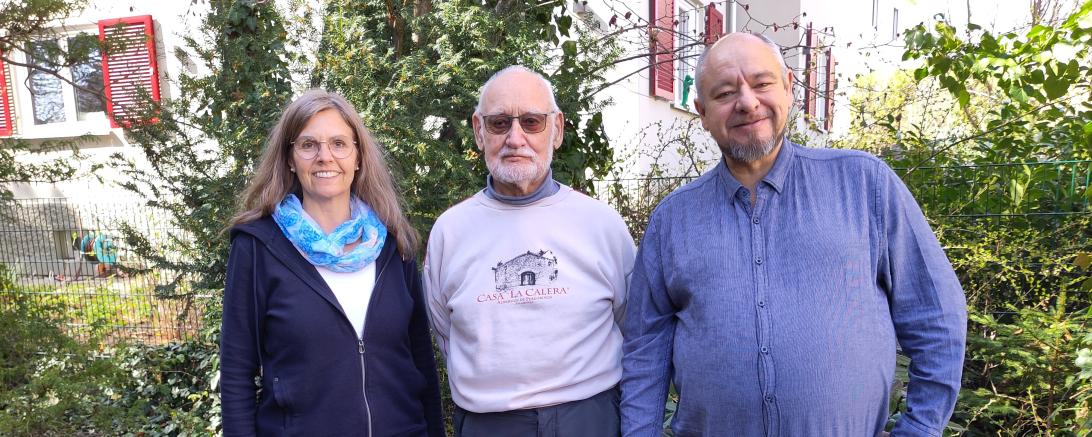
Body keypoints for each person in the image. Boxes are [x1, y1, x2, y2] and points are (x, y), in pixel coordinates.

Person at [620, 33, 967, 437]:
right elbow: (646, 351)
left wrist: (920, 428)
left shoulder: (864, 185)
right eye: (725, 92)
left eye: (762, 83)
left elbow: (936, 315)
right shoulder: (672, 221)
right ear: (701, 111)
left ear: (788, 87)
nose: (747, 102)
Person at [423, 66, 636, 437]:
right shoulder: (449, 232)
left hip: (590, 420)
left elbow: (633, 325)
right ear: (478, 131)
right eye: (500, 123)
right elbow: (445, 331)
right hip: (488, 425)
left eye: (532, 122)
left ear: (557, 130)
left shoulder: (601, 225)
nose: (515, 138)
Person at [220, 89, 444, 436]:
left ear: (357, 157)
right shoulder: (258, 247)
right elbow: (236, 372)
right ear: (291, 158)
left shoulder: (392, 242)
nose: (325, 157)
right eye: (309, 145)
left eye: (339, 144)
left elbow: (421, 360)